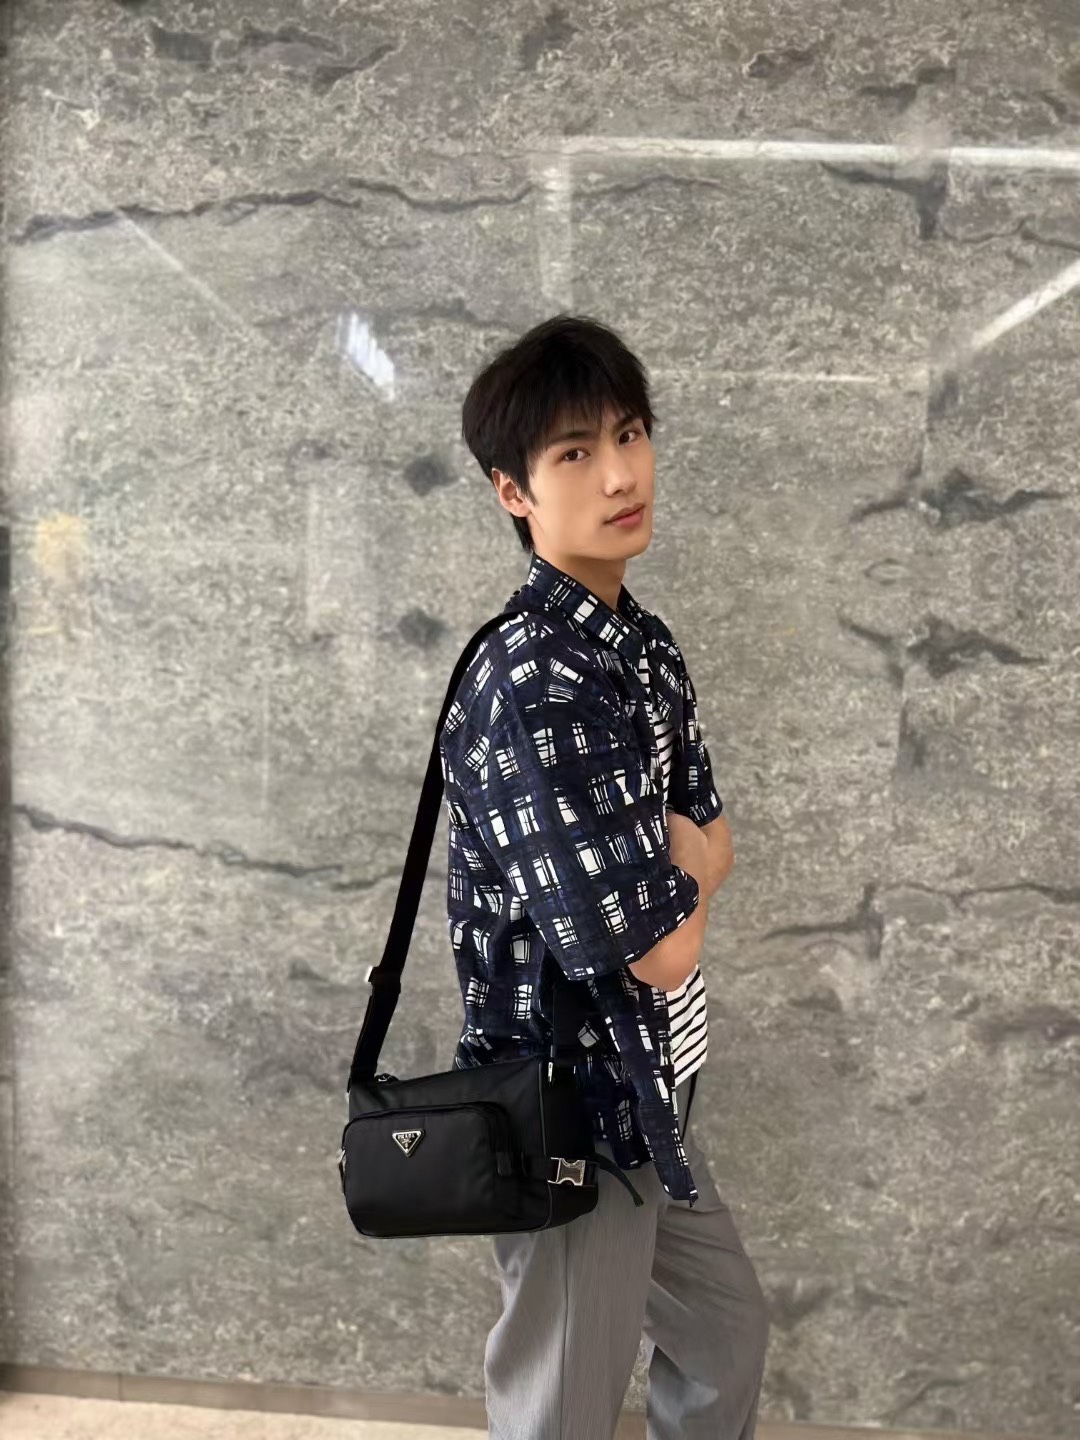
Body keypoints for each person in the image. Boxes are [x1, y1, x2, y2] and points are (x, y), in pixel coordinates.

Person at [438, 314, 770, 1439]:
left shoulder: (643, 646)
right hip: (570, 1107)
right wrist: (689, 866)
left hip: (653, 1090)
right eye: (575, 452)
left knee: (724, 1336)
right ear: (513, 492)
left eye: (629, 434)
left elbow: (715, 842)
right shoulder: (535, 682)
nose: (621, 475)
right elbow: (659, 947)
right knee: (564, 1408)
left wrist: (687, 865)